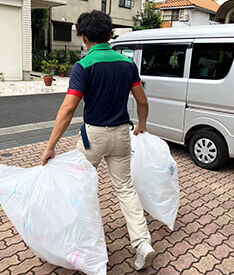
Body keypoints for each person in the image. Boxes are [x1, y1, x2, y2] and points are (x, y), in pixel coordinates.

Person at [40, 10, 155, 270]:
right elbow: (143, 101)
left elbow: (69, 109)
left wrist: (50, 147)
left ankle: (81, 245)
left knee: (80, 190)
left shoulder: (84, 66)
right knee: (125, 188)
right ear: (109, 35)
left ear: (83, 37)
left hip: (93, 137)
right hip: (122, 135)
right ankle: (142, 243)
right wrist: (143, 126)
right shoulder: (127, 64)